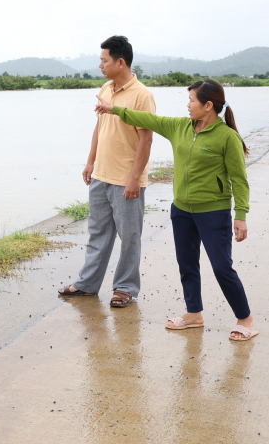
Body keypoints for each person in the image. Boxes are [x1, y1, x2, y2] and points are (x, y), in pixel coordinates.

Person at [94, 79, 259, 342]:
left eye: (192, 100)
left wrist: (240, 215)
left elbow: (239, 180)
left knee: (221, 267)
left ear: (208, 105)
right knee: (187, 264)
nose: (188, 104)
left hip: (213, 212)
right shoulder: (180, 127)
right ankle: (194, 313)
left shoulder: (227, 137)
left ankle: (245, 318)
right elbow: (146, 119)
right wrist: (114, 109)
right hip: (181, 210)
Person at [58, 35, 154, 308]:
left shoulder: (142, 95)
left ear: (120, 62)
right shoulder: (106, 88)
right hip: (101, 176)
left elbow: (146, 140)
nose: (100, 65)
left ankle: (125, 288)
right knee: (98, 233)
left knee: (129, 238)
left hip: (126, 179)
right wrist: (90, 162)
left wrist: (135, 178)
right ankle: (87, 284)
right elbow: (100, 127)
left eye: (104, 60)